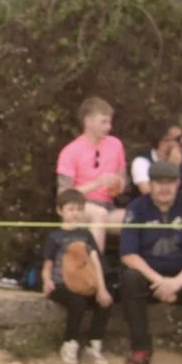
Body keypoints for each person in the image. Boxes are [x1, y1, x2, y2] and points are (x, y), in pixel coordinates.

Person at [116, 159, 182, 364]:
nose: (164, 188)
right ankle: (140, 348)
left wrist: (176, 283)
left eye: (170, 183)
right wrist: (160, 282)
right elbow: (128, 254)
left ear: (178, 184)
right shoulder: (137, 208)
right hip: (149, 278)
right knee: (129, 278)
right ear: (150, 185)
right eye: (159, 183)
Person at [40, 187, 112, 364]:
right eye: (71, 209)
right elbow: (47, 265)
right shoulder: (55, 236)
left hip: (83, 282)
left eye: (79, 209)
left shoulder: (86, 235)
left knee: (104, 302)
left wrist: (101, 289)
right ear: (60, 211)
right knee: (77, 303)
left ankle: (93, 345)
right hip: (60, 284)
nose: (75, 213)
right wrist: (47, 281)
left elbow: (95, 261)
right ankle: (69, 343)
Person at [54, 97, 127, 255]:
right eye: (103, 122)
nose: (109, 127)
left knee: (135, 219)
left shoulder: (116, 145)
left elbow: (123, 180)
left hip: (108, 207)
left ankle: (139, 267)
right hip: (80, 206)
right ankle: (95, 265)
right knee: (98, 214)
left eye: (109, 122)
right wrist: (96, 183)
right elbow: (63, 195)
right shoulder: (70, 151)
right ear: (88, 122)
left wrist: (118, 184)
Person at [130, 122, 182, 201]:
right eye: (178, 139)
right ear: (163, 142)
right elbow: (152, 197)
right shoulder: (141, 162)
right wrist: (173, 167)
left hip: (181, 205)